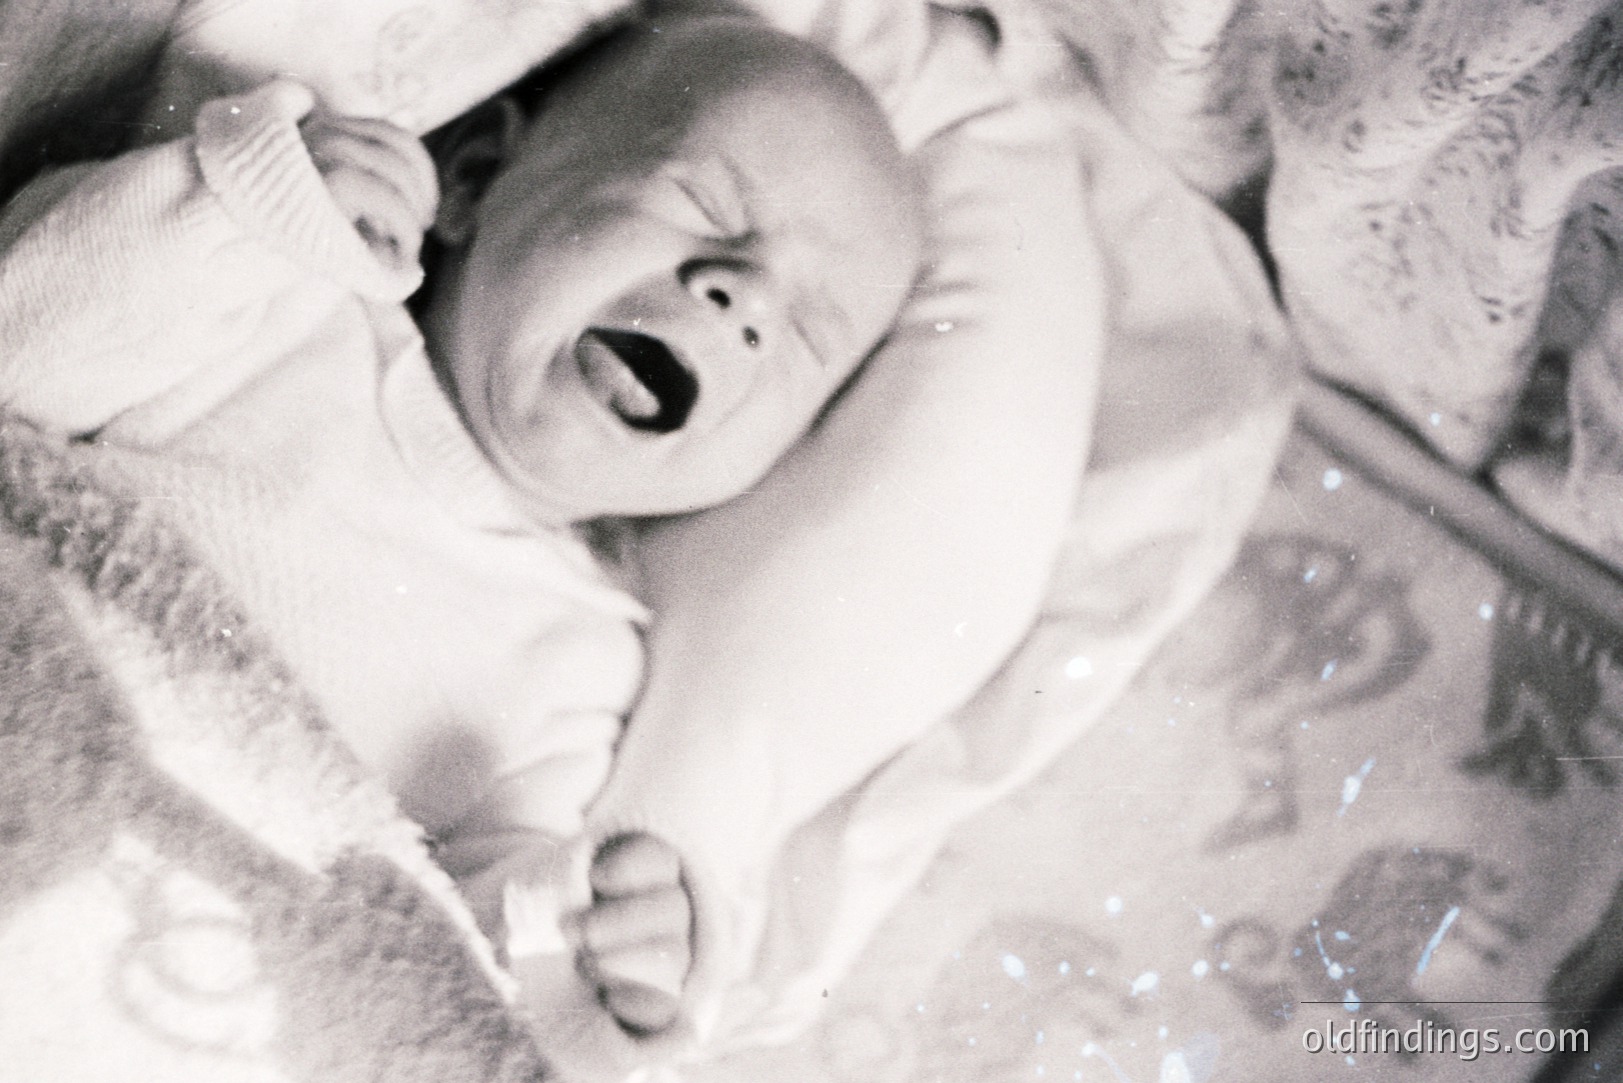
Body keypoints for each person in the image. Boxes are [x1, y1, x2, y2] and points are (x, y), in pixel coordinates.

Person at [0, 4, 923, 1055]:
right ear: (479, 174)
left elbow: (475, 963)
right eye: (701, 200)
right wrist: (247, 202)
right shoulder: (291, 297)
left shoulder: (580, 662)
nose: (742, 295)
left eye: (805, 334)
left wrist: (601, 954)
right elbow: (21, 345)